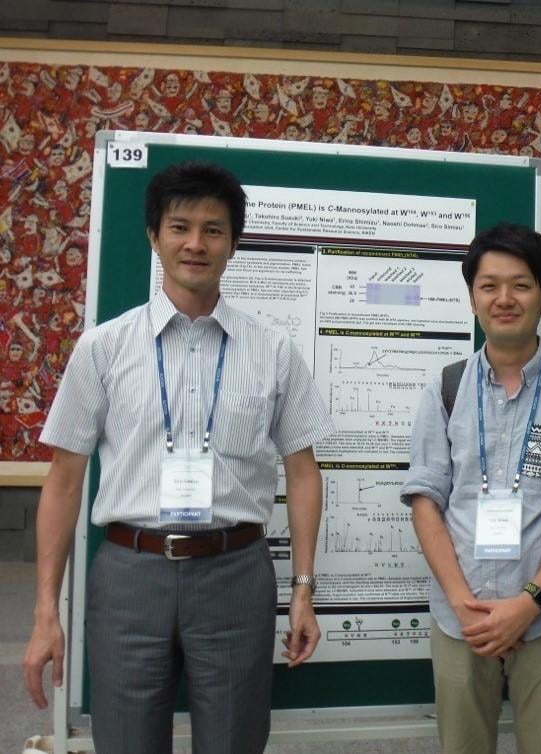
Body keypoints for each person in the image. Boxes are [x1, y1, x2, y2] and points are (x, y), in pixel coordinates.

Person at [22, 161, 335, 754]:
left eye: (213, 230)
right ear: (154, 236)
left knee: (234, 741)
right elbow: (63, 482)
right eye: (180, 227)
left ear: (233, 244)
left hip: (235, 574)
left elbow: (303, 473)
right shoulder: (103, 348)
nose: (196, 243)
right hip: (129, 575)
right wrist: (45, 611)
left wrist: (303, 588)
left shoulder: (273, 351)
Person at [401, 223, 541, 754]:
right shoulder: (445, 388)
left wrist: (529, 603)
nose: (504, 299)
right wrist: (462, 603)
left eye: (520, 285)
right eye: (489, 285)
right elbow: (425, 501)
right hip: (461, 618)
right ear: (472, 296)